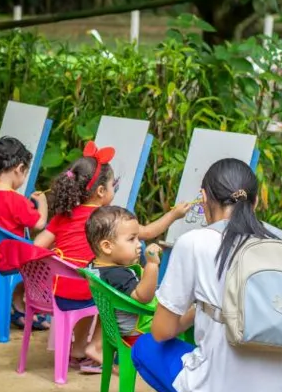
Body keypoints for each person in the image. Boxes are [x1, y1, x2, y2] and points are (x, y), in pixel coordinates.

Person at [132, 158, 282, 392]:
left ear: (204, 198)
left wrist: (200, 310)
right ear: (256, 202)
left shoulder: (194, 242)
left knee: (144, 346)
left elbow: (162, 331)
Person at [33, 142, 190, 373]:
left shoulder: (63, 215)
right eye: (112, 184)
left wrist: (63, 258)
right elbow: (148, 232)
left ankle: (77, 350)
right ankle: (96, 347)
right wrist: (174, 215)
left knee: (95, 279)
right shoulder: (107, 221)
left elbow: (38, 246)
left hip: (59, 288)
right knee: (108, 290)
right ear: (101, 192)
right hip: (88, 288)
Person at [0, 137, 49, 322]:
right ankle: (29, 307)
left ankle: (17, 306)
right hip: (10, 261)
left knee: (27, 254)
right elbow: (39, 224)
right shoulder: (17, 200)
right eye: (25, 173)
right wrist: (43, 203)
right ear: (19, 168)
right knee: (43, 257)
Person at [85, 206, 162, 346]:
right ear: (107, 247)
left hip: (113, 329)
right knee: (183, 318)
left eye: (138, 238)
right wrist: (152, 265)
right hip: (137, 332)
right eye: (132, 239)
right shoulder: (117, 275)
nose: (139, 245)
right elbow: (144, 297)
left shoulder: (95, 265)